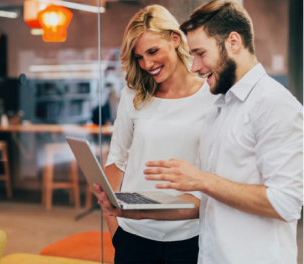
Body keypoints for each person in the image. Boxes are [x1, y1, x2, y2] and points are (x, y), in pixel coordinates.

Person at [95, 1, 303, 263]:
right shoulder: (225, 103)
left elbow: (285, 202)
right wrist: (125, 220)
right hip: (201, 248)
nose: (194, 66)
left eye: (200, 53)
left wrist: (201, 181)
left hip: (221, 247)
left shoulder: (264, 103)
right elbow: (207, 198)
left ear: (233, 42)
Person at [102, 4, 217, 264]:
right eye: (139, 57)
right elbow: (116, 159)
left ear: (175, 39)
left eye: (153, 51)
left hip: (191, 237)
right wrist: (115, 230)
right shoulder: (133, 96)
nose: (147, 64)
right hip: (134, 236)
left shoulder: (211, 96)